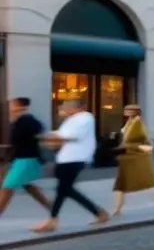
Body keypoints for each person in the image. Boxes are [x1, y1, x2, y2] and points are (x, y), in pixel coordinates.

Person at [34, 99, 109, 233]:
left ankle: (53, 220)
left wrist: (50, 138)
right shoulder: (71, 120)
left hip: (76, 158)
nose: (63, 109)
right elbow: (61, 135)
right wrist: (51, 137)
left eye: (66, 106)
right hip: (65, 158)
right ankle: (99, 212)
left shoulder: (85, 117)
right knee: (65, 190)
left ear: (78, 107)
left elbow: (72, 136)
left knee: (63, 189)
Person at [0, 97, 52, 221]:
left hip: (27, 159)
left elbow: (39, 135)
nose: (10, 108)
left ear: (21, 107)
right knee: (28, 186)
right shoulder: (17, 121)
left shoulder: (29, 120)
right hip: (20, 159)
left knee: (8, 186)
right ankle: (52, 207)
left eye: (13, 105)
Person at [112, 104, 154, 216]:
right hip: (128, 158)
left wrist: (122, 147)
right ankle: (117, 209)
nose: (125, 111)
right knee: (120, 184)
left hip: (136, 158)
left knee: (143, 183)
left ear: (135, 112)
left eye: (128, 110)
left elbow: (134, 142)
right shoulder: (131, 122)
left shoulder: (137, 124)